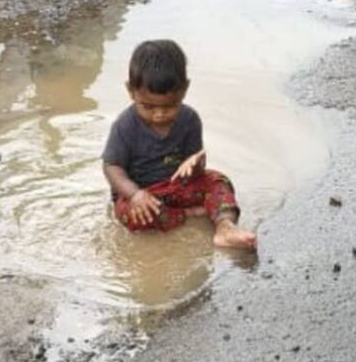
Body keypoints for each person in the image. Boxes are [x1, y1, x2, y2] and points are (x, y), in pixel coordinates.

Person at [102, 40, 257, 250]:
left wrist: (196, 162)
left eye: (169, 106)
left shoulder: (189, 119)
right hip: (145, 194)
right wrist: (135, 194)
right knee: (129, 214)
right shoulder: (125, 126)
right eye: (148, 106)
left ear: (184, 90)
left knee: (218, 181)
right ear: (131, 91)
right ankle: (188, 215)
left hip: (178, 188)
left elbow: (197, 169)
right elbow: (111, 167)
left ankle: (225, 227)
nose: (159, 114)